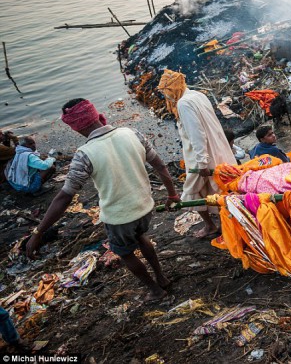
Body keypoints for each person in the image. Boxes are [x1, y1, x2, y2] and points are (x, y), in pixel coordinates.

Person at [25, 99, 180, 303]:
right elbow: (160, 166)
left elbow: (64, 197)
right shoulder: (132, 133)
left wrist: (38, 232)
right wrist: (172, 195)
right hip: (145, 206)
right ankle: (161, 278)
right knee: (141, 236)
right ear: (95, 115)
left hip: (120, 217)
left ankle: (155, 290)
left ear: (76, 127)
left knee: (125, 253)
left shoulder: (85, 154)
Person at [157, 70, 237, 239]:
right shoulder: (197, 95)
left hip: (201, 157)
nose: (167, 97)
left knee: (191, 192)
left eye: (167, 92)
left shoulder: (183, 104)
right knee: (217, 190)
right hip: (217, 149)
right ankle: (221, 226)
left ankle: (214, 226)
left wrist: (201, 163)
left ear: (172, 89)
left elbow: (197, 134)